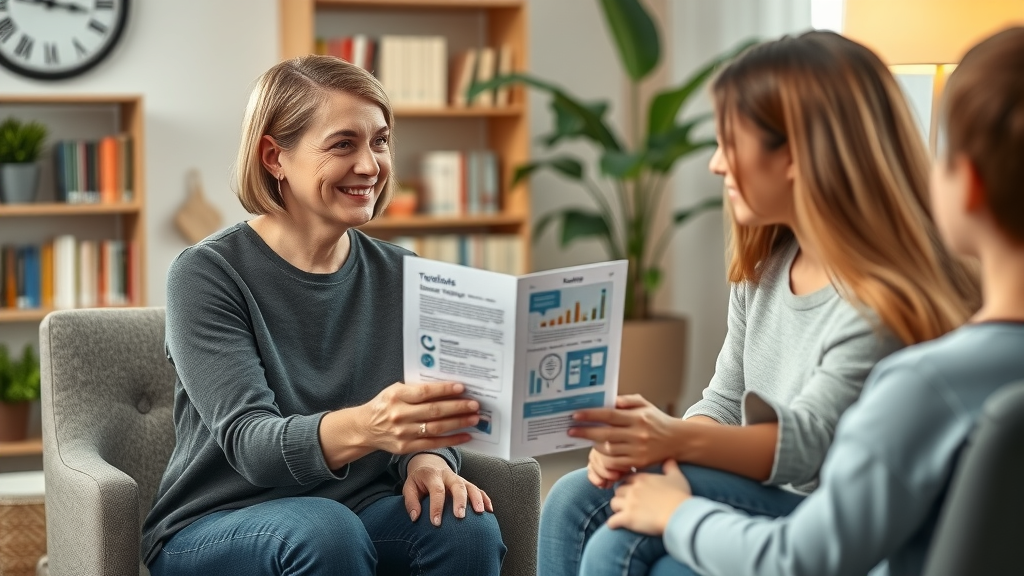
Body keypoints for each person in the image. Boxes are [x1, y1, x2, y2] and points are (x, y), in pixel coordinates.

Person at [539, 30, 980, 576]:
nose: (716, 164)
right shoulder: (768, 266)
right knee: (571, 498)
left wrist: (669, 438)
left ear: (793, 154)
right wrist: (658, 449)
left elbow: (809, 448)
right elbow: (725, 401)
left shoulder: (877, 303)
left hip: (825, 522)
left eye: (730, 143)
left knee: (623, 542)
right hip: (768, 499)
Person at [141, 55, 505, 576]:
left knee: (465, 528)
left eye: (380, 141)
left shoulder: (406, 273)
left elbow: (430, 410)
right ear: (274, 157)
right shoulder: (206, 273)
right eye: (343, 144)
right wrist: (371, 425)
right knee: (326, 532)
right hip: (217, 524)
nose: (370, 166)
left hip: (354, 510)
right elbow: (251, 445)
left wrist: (428, 458)